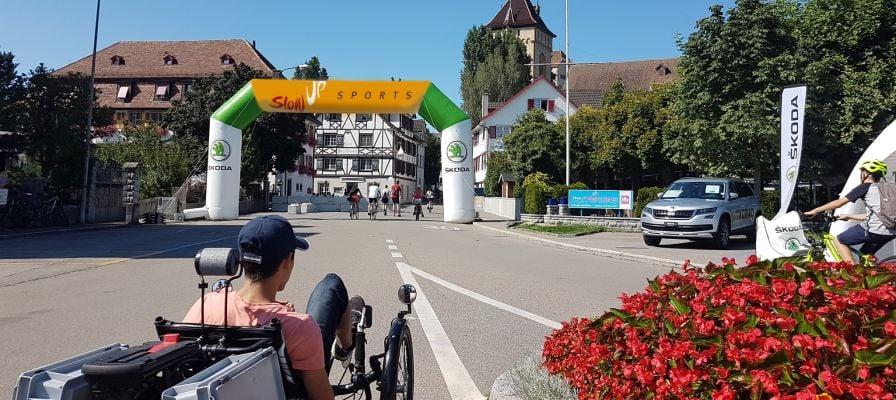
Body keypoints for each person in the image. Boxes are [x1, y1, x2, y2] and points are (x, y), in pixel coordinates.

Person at [184, 216, 364, 399]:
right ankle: (346, 346)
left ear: (242, 261)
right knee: (332, 284)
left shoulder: (205, 304)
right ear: (287, 261)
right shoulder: (298, 326)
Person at [805, 159, 896, 264]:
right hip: (892, 230)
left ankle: (852, 272)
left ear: (866, 173)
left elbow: (838, 203)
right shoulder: (888, 188)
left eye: (862, 171)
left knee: (840, 240)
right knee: (865, 254)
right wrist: (849, 216)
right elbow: (878, 215)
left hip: (875, 230)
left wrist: (815, 210)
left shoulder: (864, 187)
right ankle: (872, 276)